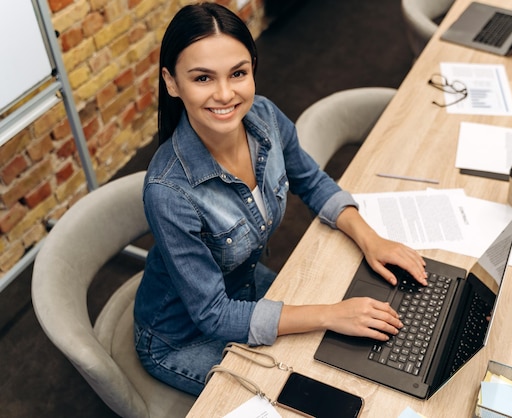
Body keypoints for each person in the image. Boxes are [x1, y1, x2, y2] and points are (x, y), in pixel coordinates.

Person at [134, 2, 427, 396]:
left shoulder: (265, 117)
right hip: (180, 337)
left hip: (244, 285)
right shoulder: (168, 193)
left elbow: (311, 180)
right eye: (203, 78)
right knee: (309, 392)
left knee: (346, 359)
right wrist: (330, 315)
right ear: (172, 83)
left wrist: (371, 239)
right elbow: (214, 315)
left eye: (238, 73)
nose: (225, 94)